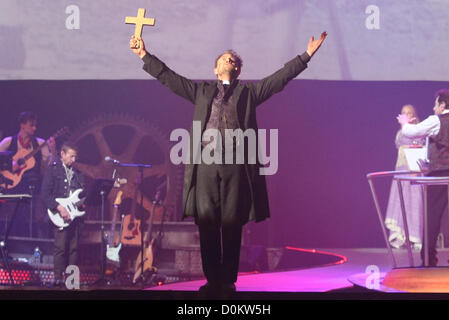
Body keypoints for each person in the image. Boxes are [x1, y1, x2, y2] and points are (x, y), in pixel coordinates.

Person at [130, 32, 327, 295]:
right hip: (206, 164)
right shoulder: (201, 91)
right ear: (215, 68)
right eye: (224, 58)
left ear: (238, 69)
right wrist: (144, 54)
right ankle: (212, 280)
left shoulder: (249, 92)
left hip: (236, 164)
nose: (228, 60)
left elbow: (279, 79)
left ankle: (227, 280)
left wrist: (306, 56)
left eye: (232, 59)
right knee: (208, 223)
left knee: (232, 224)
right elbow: (169, 78)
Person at [398, 89, 449, 266]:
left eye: (436, 104)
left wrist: (405, 123)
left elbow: (412, 132)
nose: (434, 107)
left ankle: (428, 258)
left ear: (442, 105)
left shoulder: (437, 120)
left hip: (441, 173)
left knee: (432, 215)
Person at [0, 112, 56, 237]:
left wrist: (53, 150)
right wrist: (10, 164)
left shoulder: (40, 143)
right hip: (12, 186)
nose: (34, 128)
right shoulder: (8, 141)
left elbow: (49, 166)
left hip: (32, 186)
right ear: (22, 125)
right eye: (31, 125)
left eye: (35, 125)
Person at [40, 142, 84, 286]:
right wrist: (59, 208)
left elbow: (80, 195)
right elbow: (45, 195)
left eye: (75, 157)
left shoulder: (78, 175)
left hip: (74, 217)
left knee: (74, 249)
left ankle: (71, 281)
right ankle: (58, 279)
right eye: (71, 156)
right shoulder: (53, 170)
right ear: (62, 154)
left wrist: (82, 203)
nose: (73, 160)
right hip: (59, 215)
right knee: (60, 248)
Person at [385, 105, 425, 250]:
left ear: (414, 115)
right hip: (401, 171)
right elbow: (400, 143)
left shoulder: (418, 131)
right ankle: (401, 236)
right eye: (404, 113)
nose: (406, 115)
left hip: (413, 170)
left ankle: (414, 237)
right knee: (400, 203)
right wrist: (404, 127)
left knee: (414, 203)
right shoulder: (401, 132)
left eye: (409, 113)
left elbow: (419, 147)